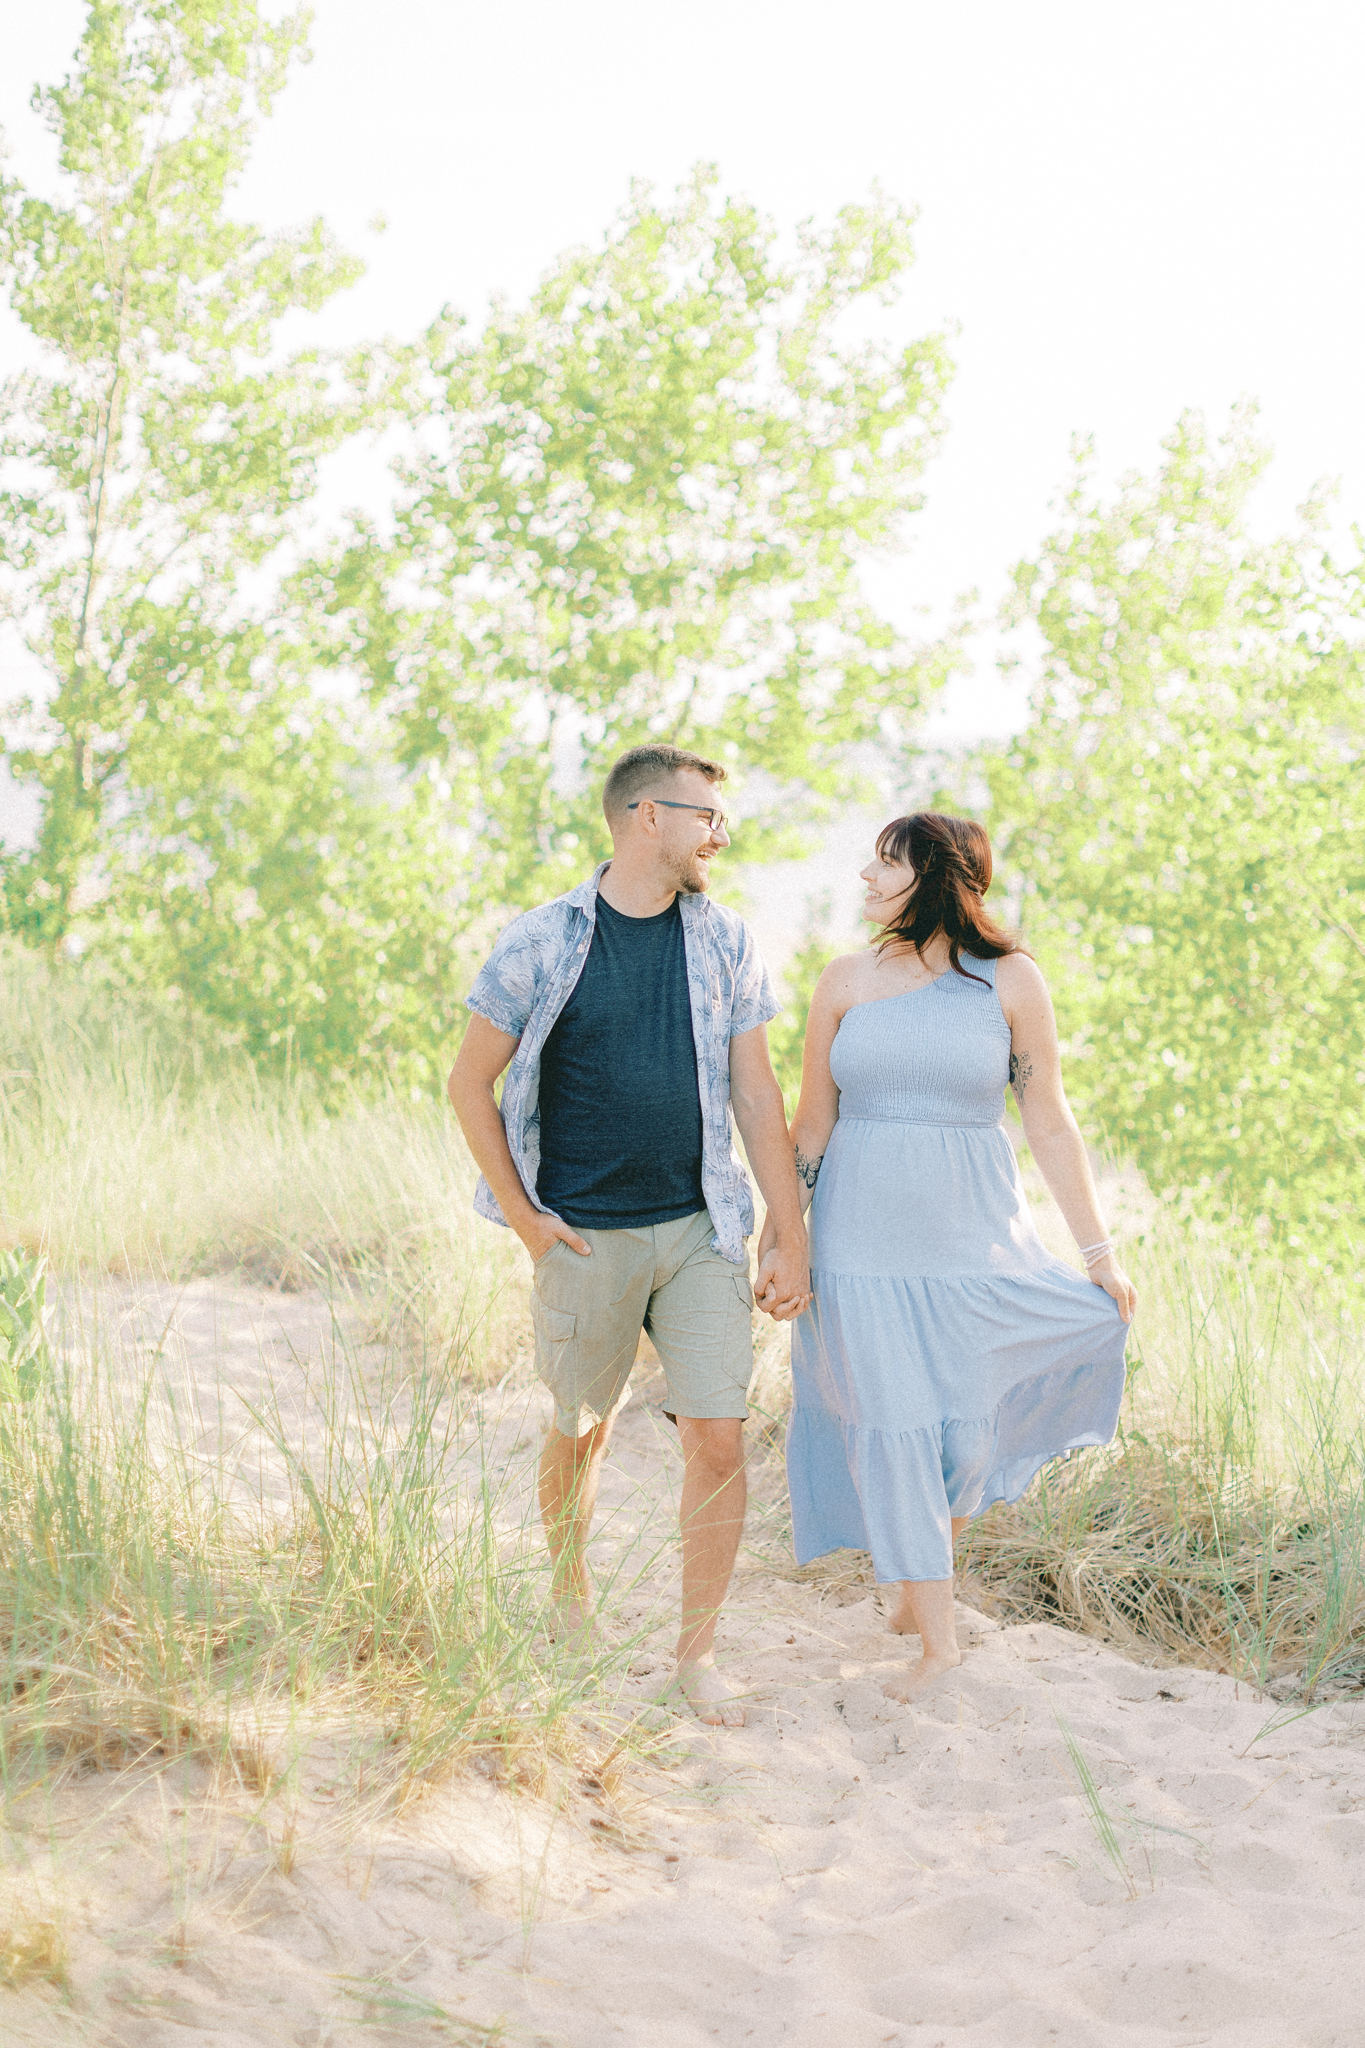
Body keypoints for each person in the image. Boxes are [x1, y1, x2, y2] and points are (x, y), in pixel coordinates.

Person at [449, 744, 810, 1727]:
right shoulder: (540, 939)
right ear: (648, 815)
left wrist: (790, 1230)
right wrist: (525, 1218)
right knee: (579, 1430)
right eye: (707, 816)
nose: (719, 835)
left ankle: (697, 1655)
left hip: (699, 1229)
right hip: (583, 1238)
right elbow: (466, 1083)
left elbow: (755, 1088)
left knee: (722, 1441)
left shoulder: (725, 938)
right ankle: (570, 1608)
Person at [760, 811, 1136, 1702]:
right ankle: (936, 1641)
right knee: (892, 1424)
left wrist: (1098, 1252)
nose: (862, 877)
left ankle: (916, 1577)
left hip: (977, 1240)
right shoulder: (844, 980)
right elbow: (809, 1120)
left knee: (964, 1434)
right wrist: (784, 1235)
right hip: (860, 1245)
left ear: (932, 874)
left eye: (881, 862)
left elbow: (1047, 1119)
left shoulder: (1009, 980)